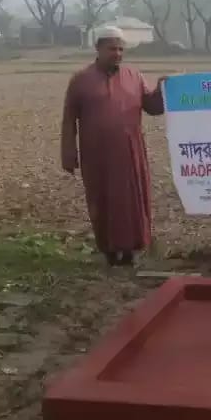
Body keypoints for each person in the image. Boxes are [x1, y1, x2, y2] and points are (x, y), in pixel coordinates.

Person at [61, 26, 168, 267]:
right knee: (102, 200)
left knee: (131, 201)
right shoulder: (80, 80)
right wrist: (68, 153)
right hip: (96, 154)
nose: (117, 53)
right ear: (98, 49)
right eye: (112, 49)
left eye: (121, 49)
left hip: (130, 152)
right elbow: (68, 120)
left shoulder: (134, 76)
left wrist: (163, 90)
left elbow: (152, 107)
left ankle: (131, 251)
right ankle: (109, 251)